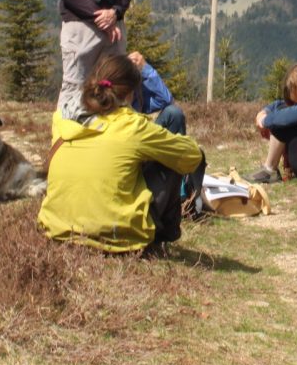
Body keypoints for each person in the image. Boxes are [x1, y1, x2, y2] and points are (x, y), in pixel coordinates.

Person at [38, 54, 205, 254]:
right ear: (129, 94)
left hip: (57, 231)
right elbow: (192, 156)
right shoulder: (131, 126)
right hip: (117, 237)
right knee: (174, 157)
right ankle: (161, 238)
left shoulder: (61, 119)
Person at [128, 50, 187, 135]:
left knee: (174, 113)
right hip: (121, 136)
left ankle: (179, 147)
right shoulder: (109, 89)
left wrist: (145, 69)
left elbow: (165, 100)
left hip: (140, 134)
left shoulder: (137, 91)